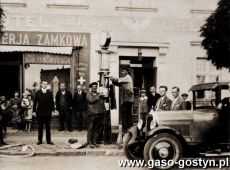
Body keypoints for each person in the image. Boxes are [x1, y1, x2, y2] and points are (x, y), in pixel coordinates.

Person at [110, 67, 134, 133]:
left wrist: (111, 77)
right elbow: (119, 84)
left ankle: (126, 129)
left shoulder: (127, 77)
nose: (122, 72)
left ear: (127, 72)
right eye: (122, 71)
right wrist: (113, 82)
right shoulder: (125, 79)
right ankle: (127, 129)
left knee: (125, 115)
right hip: (125, 100)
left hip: (127, 100)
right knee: (125, 115)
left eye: (123, 71)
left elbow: (119, 80)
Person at [33, 80, 55, 145]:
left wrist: (53, 111)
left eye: (46, 84)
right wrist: (34, 111)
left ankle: (49, 140)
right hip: (40, 113)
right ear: (41, 85)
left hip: (48, 113)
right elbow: (35, 103)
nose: (45, 85)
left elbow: (52, 103)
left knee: (48, 127)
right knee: (40, 127)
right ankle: (40, 140)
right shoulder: (38, 92)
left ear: (47, 85)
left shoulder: (49, 93)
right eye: (43, 84)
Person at [86, 82, 106, 148]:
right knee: (90, 128)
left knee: (96, 129)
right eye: (93, 86)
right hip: (92, 114)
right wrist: (98, 96)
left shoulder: (98, 94)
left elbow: (102, 103)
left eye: (95, 86)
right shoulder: (89, 94)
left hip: (99, 114)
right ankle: (89, 142)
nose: (95, 87)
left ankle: (94, 142)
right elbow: (91, 100)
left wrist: (104, 111)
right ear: (91, 87)